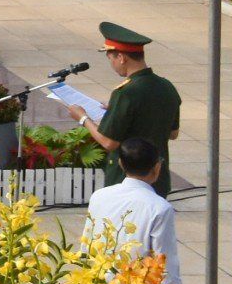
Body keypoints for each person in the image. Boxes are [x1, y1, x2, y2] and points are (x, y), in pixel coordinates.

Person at [85, 137, 193, 284]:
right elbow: (165, 264)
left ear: (120, 164)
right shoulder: (160, 208)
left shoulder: (99, 197)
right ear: (157, 167)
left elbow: (87, 245)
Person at [76, 21, 181, 191]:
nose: (112, 65)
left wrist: (82, 117)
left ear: (121, 57)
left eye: (111, 58)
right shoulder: (166, 86)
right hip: (158, 178)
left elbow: (109, 142)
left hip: (127, 180)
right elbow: (173, 133)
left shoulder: (125, 93)